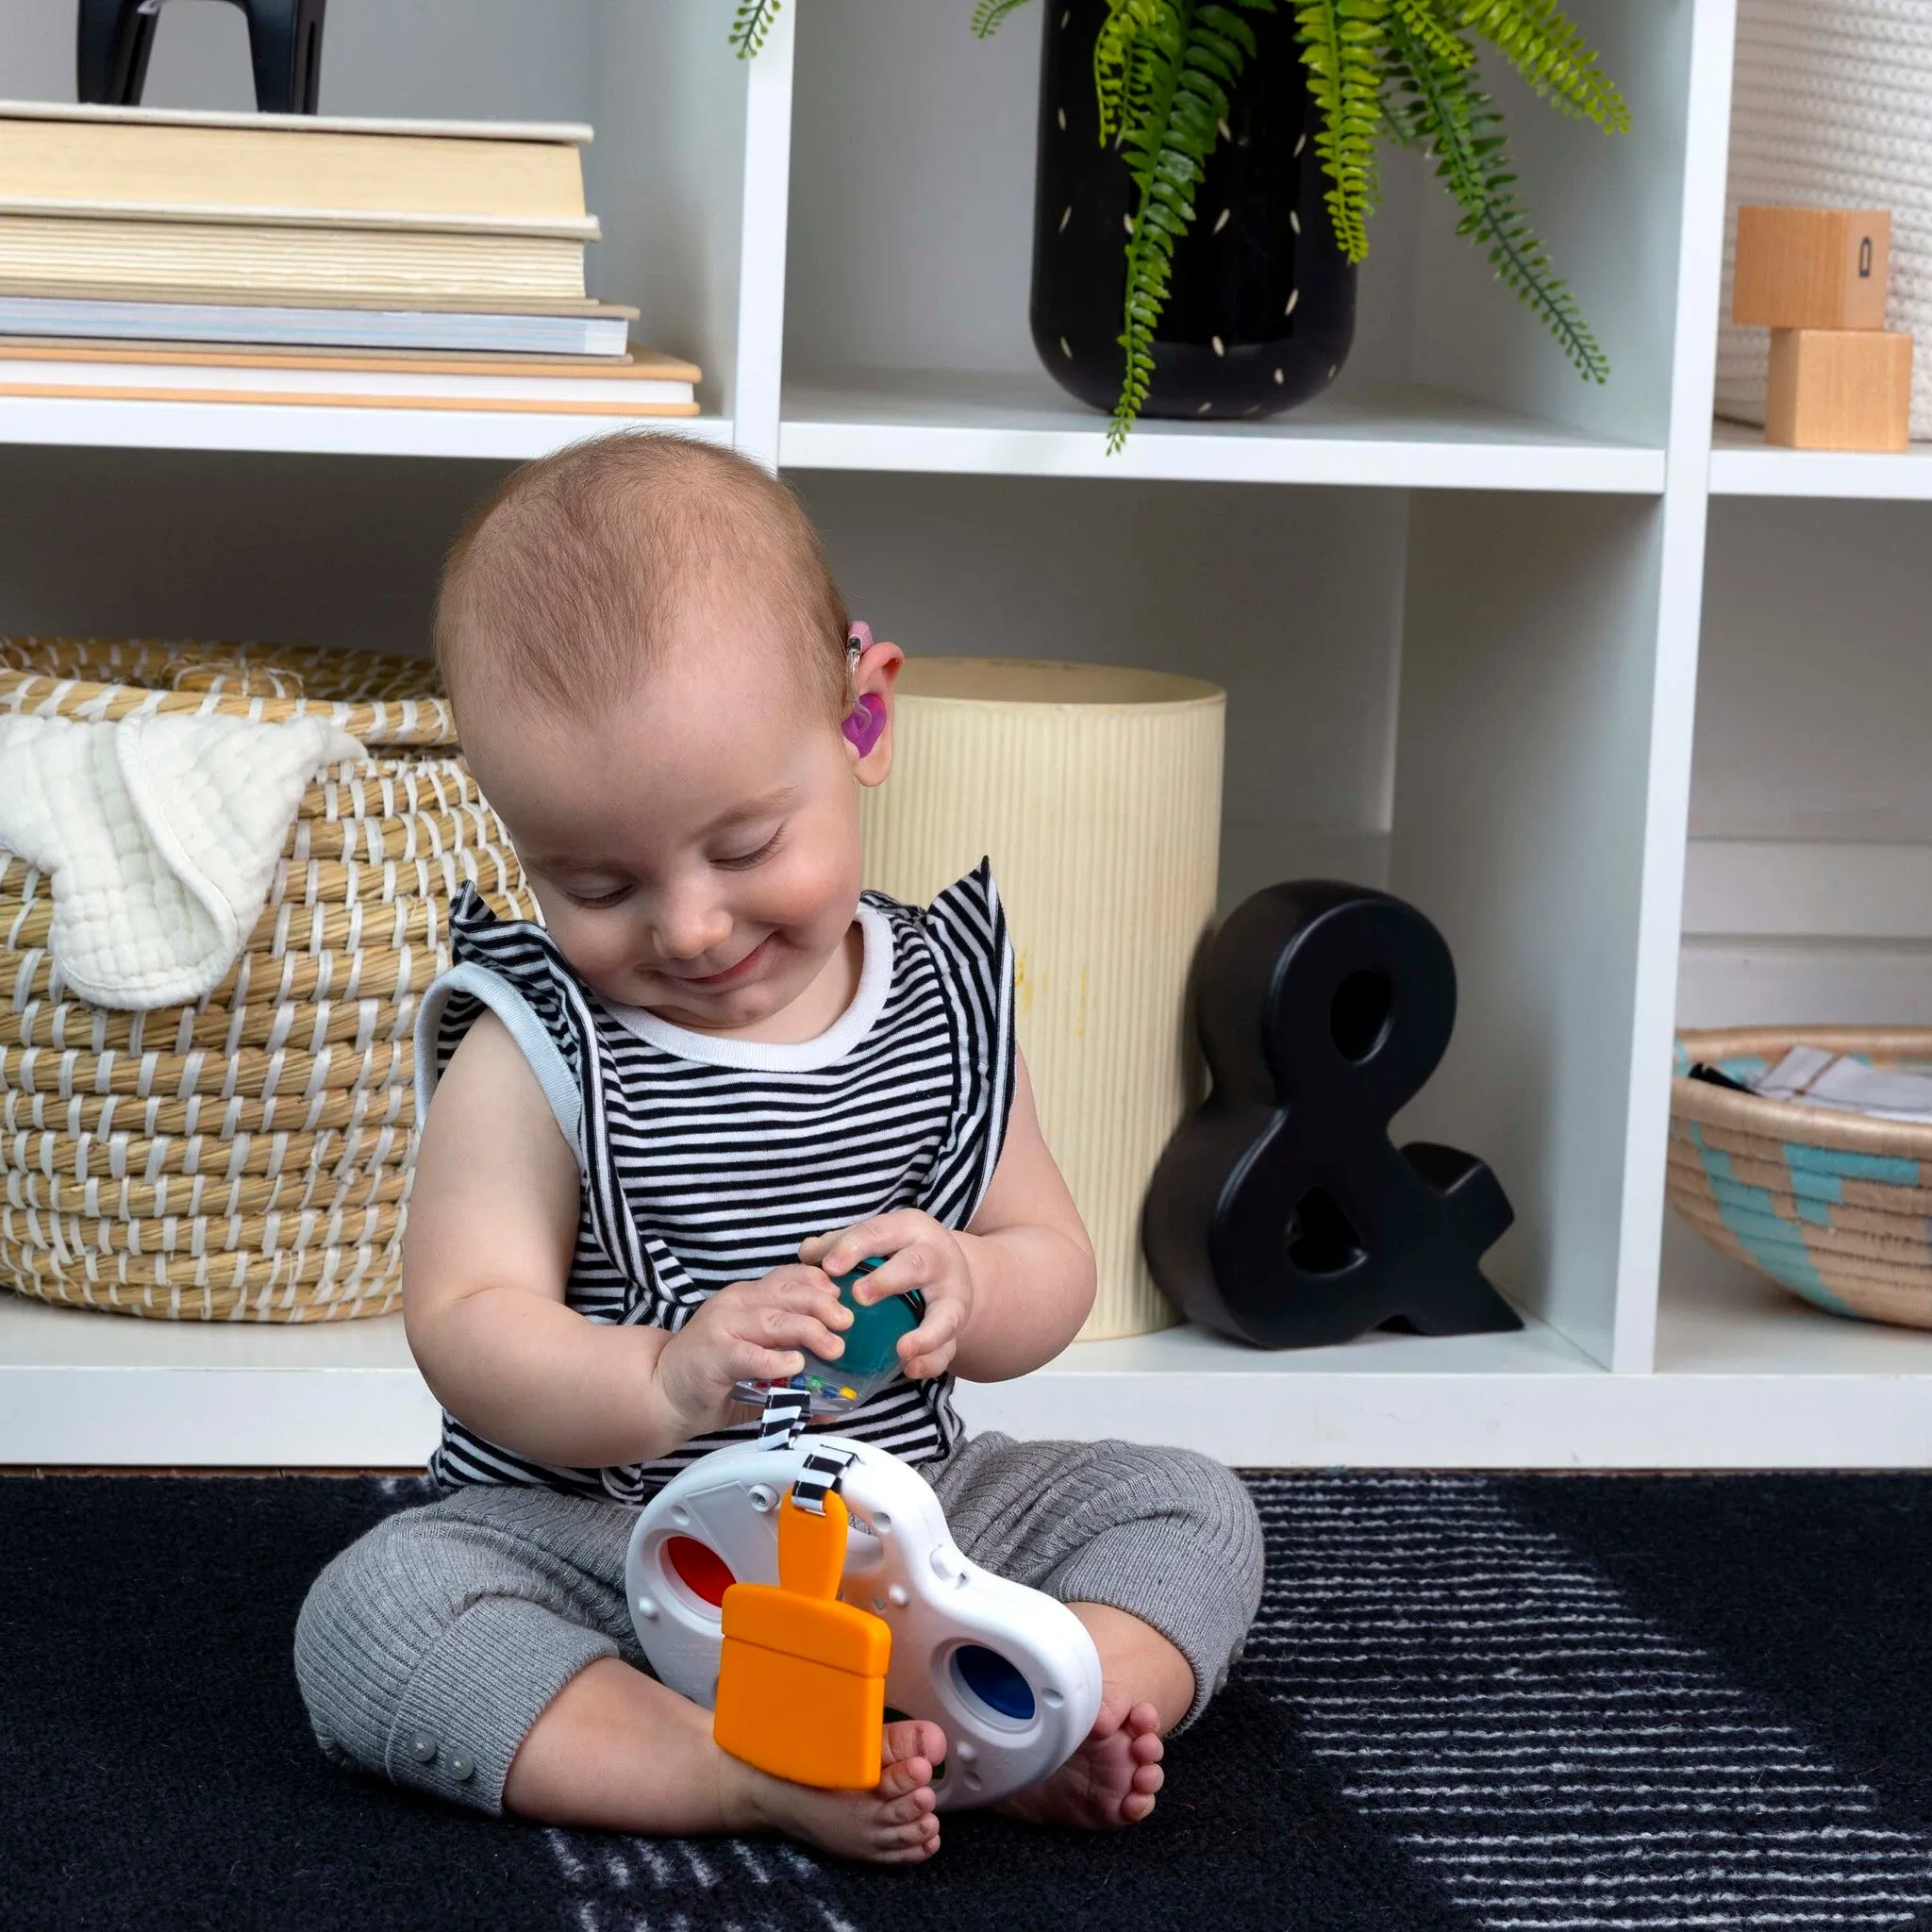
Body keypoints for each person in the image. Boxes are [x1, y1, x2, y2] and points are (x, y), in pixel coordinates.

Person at [292, 433, 1264, 1864]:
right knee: (373, 1615)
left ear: (863, 724)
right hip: (611, 1549)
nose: (688, 926)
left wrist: (971, 1286)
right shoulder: (538, 1045)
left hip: (907, 1536)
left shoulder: (942, 998)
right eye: (598, 881)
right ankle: (732, 1768)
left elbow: (1052, 1265)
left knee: (1188, 1505)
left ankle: (1040, 1715)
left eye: (745, 847)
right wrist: (660, 1374)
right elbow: (465, 1323)